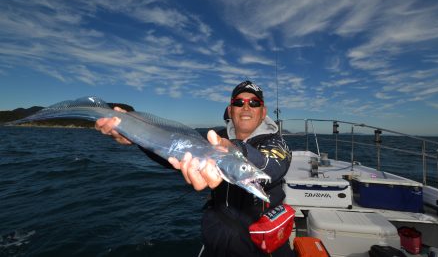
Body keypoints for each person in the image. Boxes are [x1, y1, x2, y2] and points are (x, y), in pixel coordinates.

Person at [95, 80, 293, 257]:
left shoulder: (277, 142)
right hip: (216, 240)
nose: (246, 107)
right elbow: (175, 152)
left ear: (263, 111)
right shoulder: (212, 136)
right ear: (230, 109)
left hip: (263, 248)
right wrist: (135, 135)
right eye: (239, 102)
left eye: (254, 102)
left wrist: (232, 150)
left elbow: (271, 166)